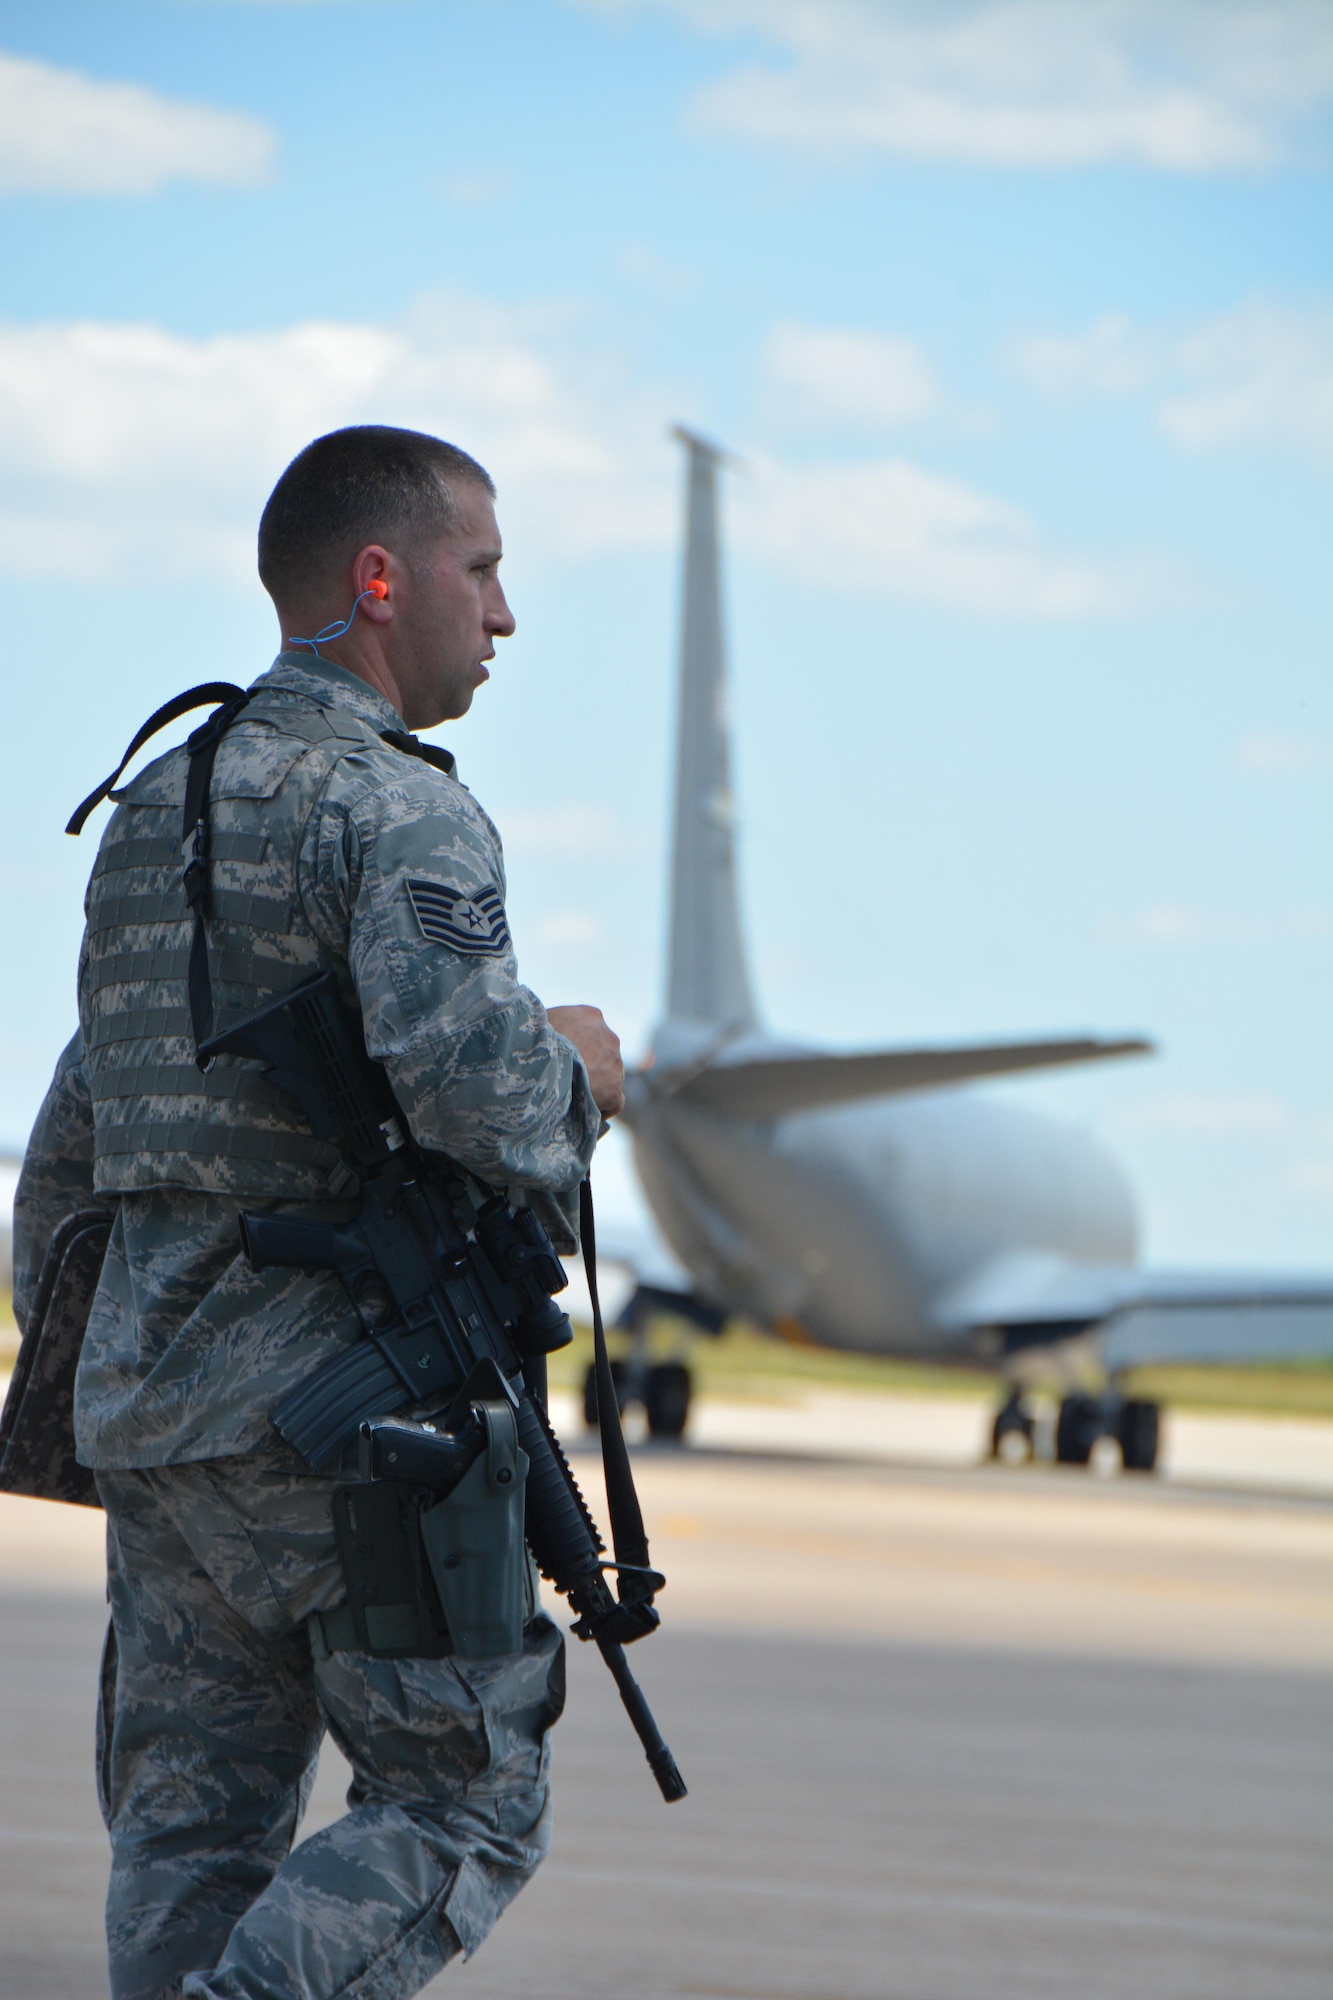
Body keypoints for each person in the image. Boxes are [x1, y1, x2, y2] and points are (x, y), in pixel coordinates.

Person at [12, 424, 625, 2000]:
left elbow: (76, 1136)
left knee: (190, 1835)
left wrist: (101, 1367)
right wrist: (576, 1073)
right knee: (462, 1801)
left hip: (155, 1417)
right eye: (480, 570)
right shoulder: (397, 809)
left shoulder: (157, 806)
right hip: (347, 1428)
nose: (501, 615)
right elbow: (485, 1105)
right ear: (377, 578)